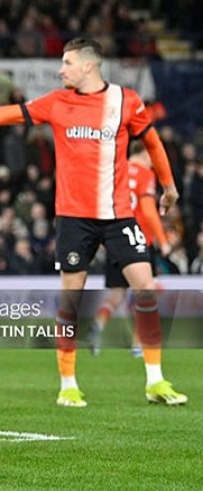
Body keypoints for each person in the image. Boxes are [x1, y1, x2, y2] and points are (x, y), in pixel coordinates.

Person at [0, 37, 187, 407]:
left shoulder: (127, 101)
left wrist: (168, 186)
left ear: (88, 66)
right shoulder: (57, 103)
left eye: (67, 63)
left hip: (119, 215)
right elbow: (0, 115)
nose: (61, 70)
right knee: (71, 301)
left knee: (145, 288)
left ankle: (155, 380)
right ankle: (68, 384)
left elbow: (153, 144)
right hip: (74, 219)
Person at [89, 142, 172, 357]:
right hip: (139, 240)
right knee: (145, 291)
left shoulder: (116, 170)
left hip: (114, 238)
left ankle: (98, 324)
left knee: (116, 293)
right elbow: (148, 209)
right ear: (145, 152)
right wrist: (163, 240)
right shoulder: (145, 175)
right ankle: (137, 344)